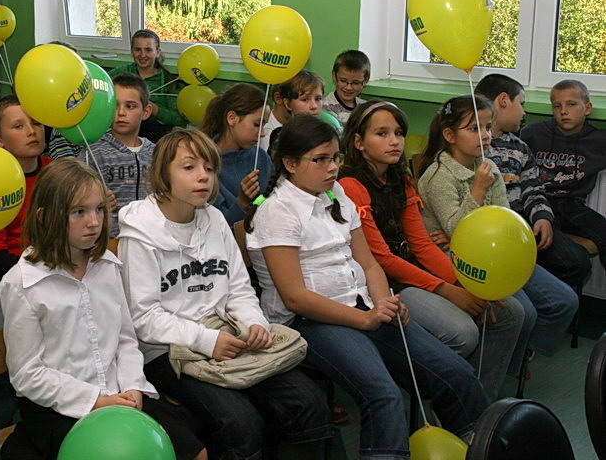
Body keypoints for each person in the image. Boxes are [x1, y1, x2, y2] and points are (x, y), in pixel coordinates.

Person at [245, 114, 489, 460]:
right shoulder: (277, 211)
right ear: (290, 164)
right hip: (310, 322)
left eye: (335, 158)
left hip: (363, 306)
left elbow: (369, 262)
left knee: (455, 373)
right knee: (382, 394)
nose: (332, 168)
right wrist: (365, 319)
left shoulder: (337, 193)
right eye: (320, 160)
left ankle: (479, 447)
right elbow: (295, 298)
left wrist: (384, 303)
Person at [119, 129, 334, 460]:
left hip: (230, 334)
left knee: (307, 403)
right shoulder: (140, 233)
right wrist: (207, 340)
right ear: (163, 174)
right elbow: (144, 318)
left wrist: (253, 323)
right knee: (239, 422)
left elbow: (239, 288)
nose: (203, 176)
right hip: (170, 351)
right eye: (189, 167)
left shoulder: (214, 219)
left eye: (209, 168)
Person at [0, 159, 206, 460]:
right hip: (58, 406)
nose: (94, 222)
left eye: (98, 209)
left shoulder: (107, 266)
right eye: (78, 212)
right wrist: (96, 401)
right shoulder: (23, 283)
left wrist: (134, 386)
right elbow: (27, 374)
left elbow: (125, 340)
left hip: (120, 393)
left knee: (195, 451)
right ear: (44, 217)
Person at [338, 101, 523, 399]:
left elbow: (421, 244)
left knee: (509, 311)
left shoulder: (401, 178)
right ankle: (445, 398)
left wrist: (462, 282)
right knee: (464, 333)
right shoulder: (350, 185)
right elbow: (381, 258)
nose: (394, 141)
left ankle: (479, 401)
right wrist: (448, 291)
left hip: (414, 270)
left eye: (398, 133)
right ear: (358, 142)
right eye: (382, 134)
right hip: (384, 282)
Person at [416, 95, 577, 386]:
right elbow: (456, 228)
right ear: (450, 136)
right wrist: (477, 189)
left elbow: (501, 216)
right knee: (521, 312)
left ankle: (511, 362)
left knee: (563, 300)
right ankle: (487, 379)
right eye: (474, 129)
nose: (486, 135)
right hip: (462, 262)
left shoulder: (488, 166)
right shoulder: (439, 175)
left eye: (488, 127)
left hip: (497, 255)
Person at [475, 74, 592, 288]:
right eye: (521, 103)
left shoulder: (520, 147)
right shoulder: (474, 145)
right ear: (503, 101)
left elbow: (533, 187)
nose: (524, 112)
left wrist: (543, 217)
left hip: (525, 224)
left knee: (577, 262)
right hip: (490, 231)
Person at [521, 79, 606, 261]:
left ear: (588, 108)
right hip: (539, 202)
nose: (564, 112)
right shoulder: (533, 132)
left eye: (572, 104)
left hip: (571, 206)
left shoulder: (598, 141)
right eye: (557, 106)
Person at [0, 95, 52, 297]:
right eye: (18, 127)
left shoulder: (56, 172)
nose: (31, 132)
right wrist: (44, 274)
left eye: (36, 123)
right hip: (11, 275)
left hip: (58, 267)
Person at [82, 72, 155, 237]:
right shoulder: (94, 152)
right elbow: (76, 199)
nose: (121, 112)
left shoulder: (157, 153)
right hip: (109, 242)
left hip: (151, 240)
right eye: (115, 106)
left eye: (130, 106)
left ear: (146, 111)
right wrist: (96, 202)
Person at [200, 83, 271, 225]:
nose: (262, 134)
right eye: (257, 124)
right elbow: (217, 225)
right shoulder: (205, 164)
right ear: (232, 118)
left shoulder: (261, 158)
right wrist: (242, 202)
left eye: (264, 125)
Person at [108, 29, 185, 141]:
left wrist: (155, 109)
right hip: (120, 130)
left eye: (148, 50)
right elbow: (100, 89)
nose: (142, 55)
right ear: (132, 52)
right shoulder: (120, 72)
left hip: (153, 135)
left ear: (157, 52)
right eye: (138, 50)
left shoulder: (168, 81)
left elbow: (179, 119)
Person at [259, 70, 325, 151]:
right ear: (286, 103)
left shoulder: (320, 131)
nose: (314, 106)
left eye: (318, 99)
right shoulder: (266, 133)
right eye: (305, 100)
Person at [322, 50, 370, 127]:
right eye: (343, 81)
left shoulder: (365, 107)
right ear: (334, 76)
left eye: (355, 83)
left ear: (366, 80)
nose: (348, 87)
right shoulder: (326, 108)